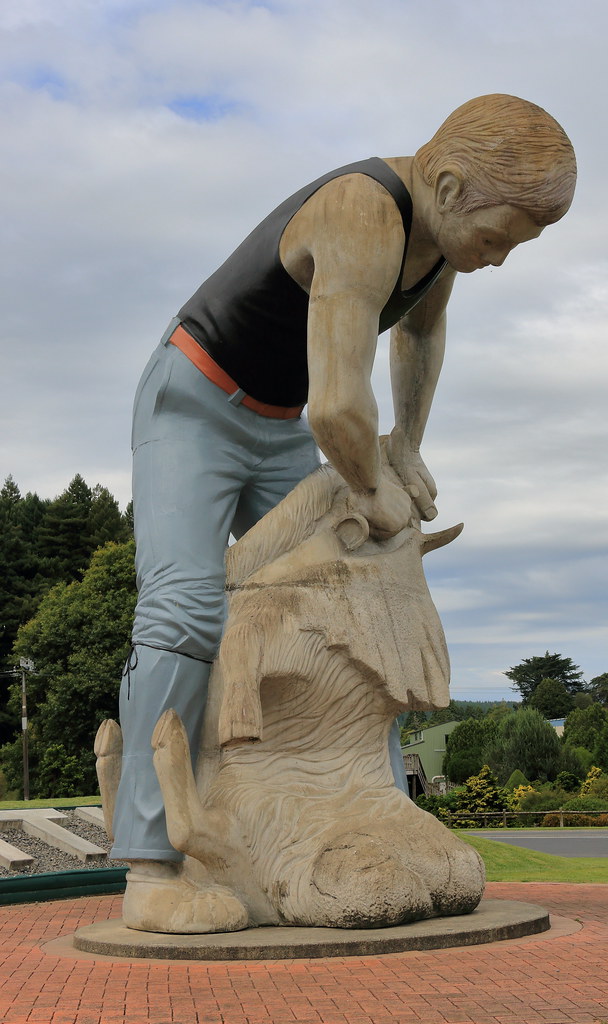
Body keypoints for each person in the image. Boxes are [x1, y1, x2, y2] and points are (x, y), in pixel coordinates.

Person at [110, 93, 577, 932]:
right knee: (183, 607)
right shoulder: (363, 211)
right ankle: (150, 867)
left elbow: (419, 338)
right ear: (444, 181)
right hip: (195, 405)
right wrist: (371, 480)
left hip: (275, 421)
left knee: (359, 590)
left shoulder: (437, 248)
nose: (501, 257)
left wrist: (407, 449)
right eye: (501, 235)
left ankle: (368, 816)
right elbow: (336, 408)